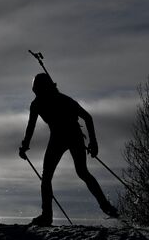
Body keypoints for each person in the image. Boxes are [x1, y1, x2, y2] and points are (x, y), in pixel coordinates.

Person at [19, 73, 119, 226]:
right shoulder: (46, 102)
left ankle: (48, 216)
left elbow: (87, 117)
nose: (37, 94)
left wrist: (94, 142)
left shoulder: (58, 100)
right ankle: (47, 216)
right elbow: (30, 126)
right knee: (69, 174)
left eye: (38, 90)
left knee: (69, 174)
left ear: (43, 88)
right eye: (36, 91)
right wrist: (25, 144)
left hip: (69, 136)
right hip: (68, 136)